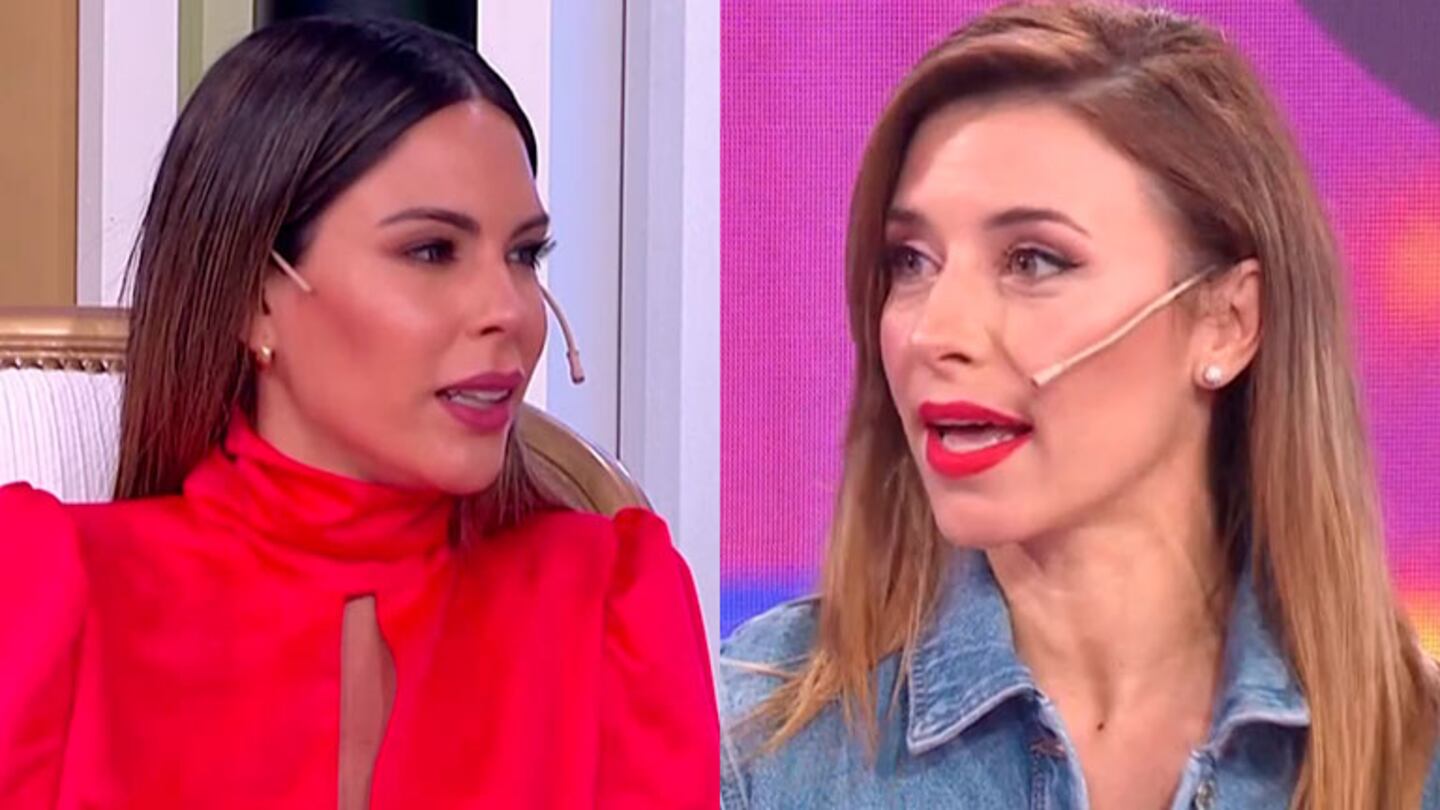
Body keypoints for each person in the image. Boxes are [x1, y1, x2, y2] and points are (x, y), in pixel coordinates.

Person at [720, 3, 1439, 808]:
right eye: (912, 261)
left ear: (1229, 321)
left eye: (1033, 260)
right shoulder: (760, 739)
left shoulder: (1415, 757)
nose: (933, 333)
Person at [0, 16, 716, 808]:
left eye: (524, 255)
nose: (510, 311)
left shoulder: (613, 605)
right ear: (254, 297)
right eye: (431, 251)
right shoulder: (44, 598)